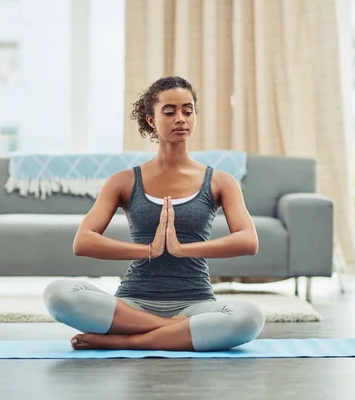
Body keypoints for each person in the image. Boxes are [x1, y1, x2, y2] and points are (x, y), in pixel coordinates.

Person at [43, 76, 265, 352]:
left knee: (249, 318)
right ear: (151, 120)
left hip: (196, 304)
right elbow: (84, 241)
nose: (180, 118)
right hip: (133, 303)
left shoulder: (220, 181)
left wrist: (182, 249)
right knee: (58, 294)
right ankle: (170, 332)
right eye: (169, 112)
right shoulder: (123, 181)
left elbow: (248, 241)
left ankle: (128, 340)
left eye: (188, 110)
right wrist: (149, 250)